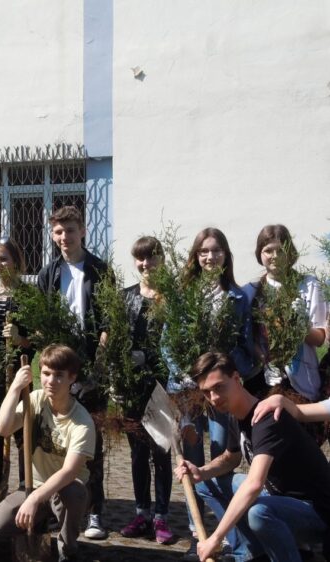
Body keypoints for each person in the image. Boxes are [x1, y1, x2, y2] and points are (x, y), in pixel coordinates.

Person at [175, 351, 330, 562]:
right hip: (280, 499)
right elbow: (231, 458)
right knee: (205, 484)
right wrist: (200, 471)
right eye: (207, 392)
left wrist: (215, 538)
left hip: (316, 512)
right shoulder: (234, 414)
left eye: (219, 387)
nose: (214, 398)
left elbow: (254, 484)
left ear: (237, 379)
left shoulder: (267, 419)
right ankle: (250, 554)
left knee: (258, 513)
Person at [167, 227, 254, 560]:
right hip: (190, 392)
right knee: (191, 460)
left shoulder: (238, 297)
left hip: (219, 395)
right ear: (196, 256)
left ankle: (224, 532)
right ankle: (195, 532)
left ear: (225, 255)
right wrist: (184, 377)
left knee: (222, 456)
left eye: (216, 250)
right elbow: (167, 342)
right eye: (204, 251)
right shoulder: (183, 296)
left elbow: (245, 346)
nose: (210, 256)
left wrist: (230, 377)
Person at [0, 344, 95, 562]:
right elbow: (2, 429)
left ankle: (68, 548)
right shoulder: (35, 399)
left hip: (66, 488)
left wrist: (34, 498)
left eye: (59, 375)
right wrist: (15, 388)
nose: (51, 381)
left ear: (72, 378)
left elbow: (69, 472)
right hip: (34, 485)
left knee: (74, 493)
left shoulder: (82, 422)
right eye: (46, 373)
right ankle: (39, 523)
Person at [36, 205, 109, 540]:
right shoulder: (47, 273)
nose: (64, 237)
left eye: (70, 230)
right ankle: (57, 507)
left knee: (91, 441)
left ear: (83, 231)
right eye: (58, 232)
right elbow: (41, 321)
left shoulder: (99, 270)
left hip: (89, 365)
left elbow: (107, 323)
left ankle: (94, 512)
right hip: (58, 366)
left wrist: (98, 366)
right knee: (54, 438)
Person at [117, 237, 174, 544]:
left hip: (161, 386)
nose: (145, 264)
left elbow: (176, 345)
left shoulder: (172, 298)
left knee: (161, 453)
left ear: (161, 260)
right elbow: (114, 338)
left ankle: (162, 517)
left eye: (151, 258)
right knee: (138, 454)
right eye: (140, 258)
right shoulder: (125, 296)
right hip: (130, 386)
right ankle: (142, 513)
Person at [242, 225, 327, 402]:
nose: (275, 256)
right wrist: (265, 362)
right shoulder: (251, 292)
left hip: (302, 379)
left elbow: (320, 339)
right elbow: (250, 338)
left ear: (290, 253)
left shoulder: (308, 285)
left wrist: (299, 325)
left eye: (281, 250)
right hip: (267, 380)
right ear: (260, 254)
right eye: (268, 250)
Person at [0, 237, 32, 488]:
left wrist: (19, 338)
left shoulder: (28, 295)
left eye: (3, 259)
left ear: (15, 261)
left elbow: (39, 338)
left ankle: (25, 486)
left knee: (22, 433)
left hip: (18, 374)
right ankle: (0, 486)